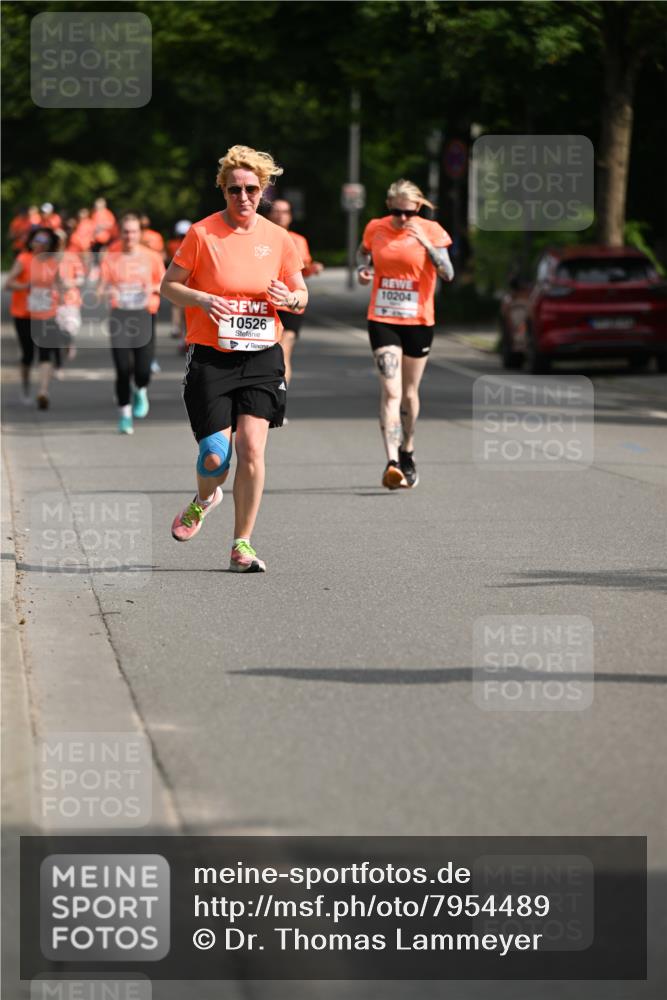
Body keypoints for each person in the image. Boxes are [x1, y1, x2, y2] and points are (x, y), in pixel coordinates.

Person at [161, 144, 307, 573]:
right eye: (233, 190)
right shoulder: (202, 235)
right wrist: (203, 299)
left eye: (251, 189)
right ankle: (205, 498)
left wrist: (290, 297)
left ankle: (241, 544)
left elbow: (301, 296)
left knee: (251, 447)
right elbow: (168, 286)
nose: (242, 198)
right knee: (214, 457)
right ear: (222, 190)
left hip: (262, 355)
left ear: (263, 191)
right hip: (212, 356)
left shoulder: (278, 239)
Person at [357, 179, 454, 489]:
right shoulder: (376, 227)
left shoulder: (432, 230)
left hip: (419, 321)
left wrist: (425, 243)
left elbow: (448, 273)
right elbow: (364, 254)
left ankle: (407, 449)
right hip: (382, 318)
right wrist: (365, 269)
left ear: (417, 209)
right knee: (391, 391)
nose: (401, 219)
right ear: (389, 206)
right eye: (396, 212)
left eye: (408, 213)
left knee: (409, 394)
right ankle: (392, 463)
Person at [98, 213, 165, 434]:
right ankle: (124, 415)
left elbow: (165, 284)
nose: (129, 236)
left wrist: (151, 289)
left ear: (140, 233)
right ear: (120, 232)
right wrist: (108, 290)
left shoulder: (152, 256)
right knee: (122, 368)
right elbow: (100, 287)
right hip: (120, 315)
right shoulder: (111, 255)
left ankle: (141, 389)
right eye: (126, 232)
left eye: (134, 232)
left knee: (143, 369)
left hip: (145, 313)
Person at [267, 199, 323, 386]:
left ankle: (279, 406)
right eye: (276, 211)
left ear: (290, 216)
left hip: (291, 304)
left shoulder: (299, 240)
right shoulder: (260, 237)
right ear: (269, 214)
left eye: (284, 211)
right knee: (265, 355)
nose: (280, 215)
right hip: (266, 303)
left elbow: (303, 269)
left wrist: (312, 268)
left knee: (283, 352)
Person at [5, 227, 61, 408]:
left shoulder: (53, 262)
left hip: (45, 313)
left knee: (45, 353)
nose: (39, 245)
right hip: (23, 313)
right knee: (28, 354)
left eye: (44, 242)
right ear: (31, 242)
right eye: (37, 241)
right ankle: (26, 387)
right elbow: (8, 284)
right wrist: (25, 286)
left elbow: (59, 286)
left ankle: (43, 391)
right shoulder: (23, 259)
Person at [166, 220, 192, 346]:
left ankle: (177, 329)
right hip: (186, 279)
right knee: (184, 308)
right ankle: (184, 337)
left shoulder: (172, 245)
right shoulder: (192, 244)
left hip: (179, 278)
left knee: (177, 307)